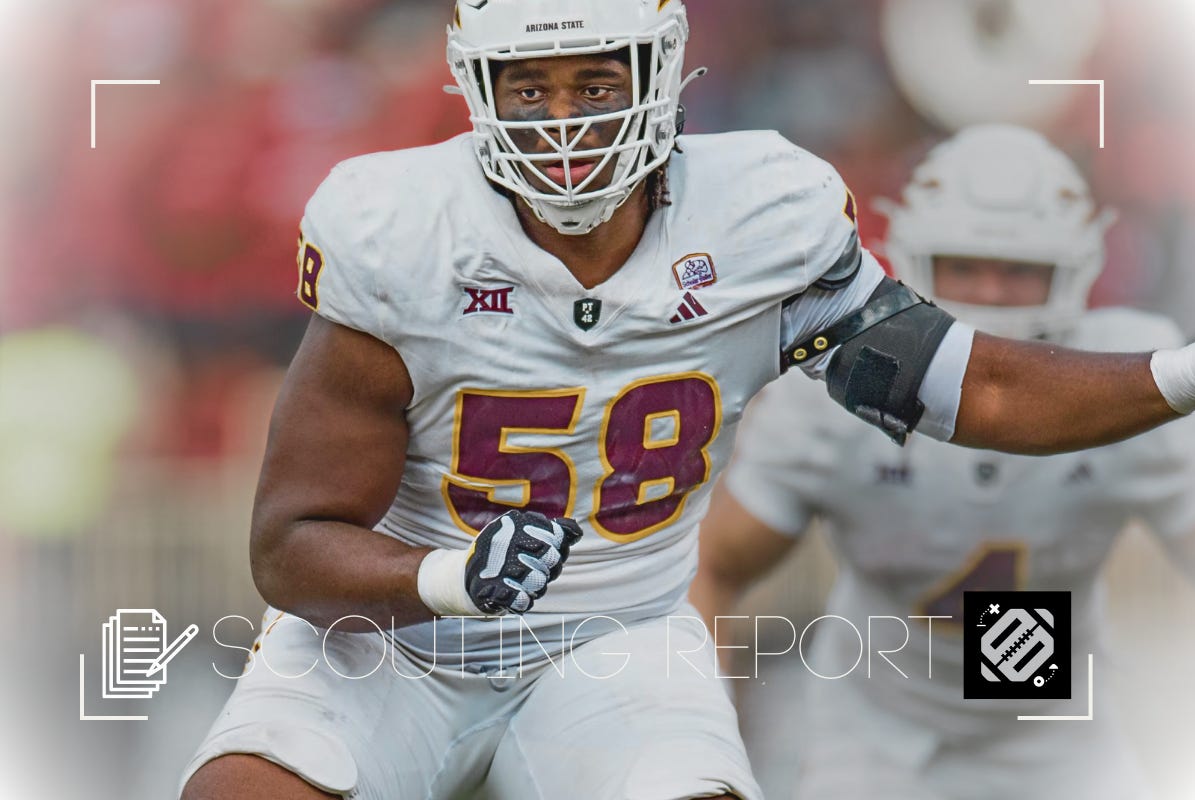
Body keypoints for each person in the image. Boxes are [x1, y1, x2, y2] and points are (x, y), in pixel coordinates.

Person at [179, 1, 1195, 797]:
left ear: (659, 73)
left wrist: (1180, 375)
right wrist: (452, 575)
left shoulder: (758, 221)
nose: (564, 121)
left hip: (617, 635)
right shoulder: (400, 229)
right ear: (478, 87)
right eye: (529, 88)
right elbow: (291, 544)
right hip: (389, 637)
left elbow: (976, 386)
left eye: (593, 83)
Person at [689, 125, 1195, 799]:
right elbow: (713, 572)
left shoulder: (1127, 378)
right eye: (964, 265)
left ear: (1076, 270)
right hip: (876, 740)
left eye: (1020, 271)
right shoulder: (827, 395)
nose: (989, 293)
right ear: (910, 263)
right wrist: (702, 744)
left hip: (1059, 735)